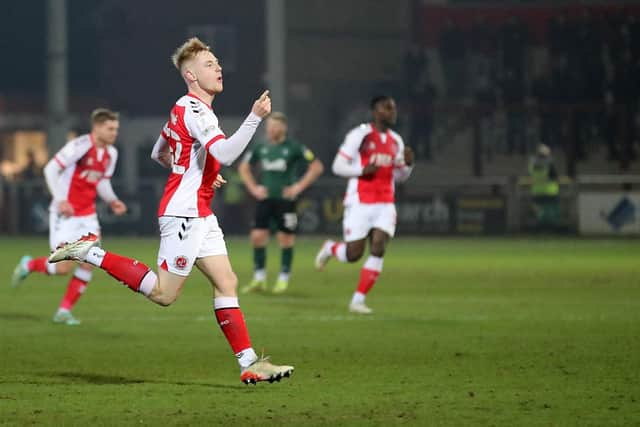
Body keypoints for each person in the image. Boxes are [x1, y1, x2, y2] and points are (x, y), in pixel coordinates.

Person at [47, 38, 294, 384]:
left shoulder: (185, 109)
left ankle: (249, 363)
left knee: (227, 281)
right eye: (210, 64)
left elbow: (160, 152)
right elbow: (224, 153)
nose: (219, 68)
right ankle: (92, 253)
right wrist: (253, 119)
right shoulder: (194, 110)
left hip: (200, 211)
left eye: (218, 61)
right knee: (164, 294)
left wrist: (200, 170)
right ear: (191, 75)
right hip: (184, 214)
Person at [11, 109, 128, 325]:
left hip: (88, 216)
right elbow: (51, 169)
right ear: (97, 127)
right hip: (65, 214)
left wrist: (112, 200)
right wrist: (60, 199)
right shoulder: (81, 146)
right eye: (110, 129)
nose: (114, 133)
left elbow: (102, 181)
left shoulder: (111, 154)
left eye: (116, 129)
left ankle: (63, 311)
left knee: (88, 262)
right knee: (63, 267)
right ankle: (29, 265)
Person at [314, 96, 414, 314]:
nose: (391, 112)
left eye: (393, 108)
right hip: (359, 201)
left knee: (378, 247)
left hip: (385, 202)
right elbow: (338, 166)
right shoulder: (359, 135)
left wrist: (407, 166)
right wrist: (361, 171)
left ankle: (358, 300)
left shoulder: (396, 140)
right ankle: (330, 248)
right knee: (354, 254)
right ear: (375, 111)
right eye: (387, 108)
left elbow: (400, 176)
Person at [238, 112, 324, 294]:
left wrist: (298, 187)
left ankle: (283, 278)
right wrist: (254, 188)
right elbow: (244, 167)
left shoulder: (294, 147)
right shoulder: (261, 147)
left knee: (285, 239)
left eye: (274, 127)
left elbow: (316, 167)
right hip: (265, 199)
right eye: (268, 127)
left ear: (283, 128)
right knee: (257, 237)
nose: (270, 130)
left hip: (285, 201)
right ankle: (259, 279)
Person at [528, 143, 560, 230]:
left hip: (537, 191)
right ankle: (554, 226)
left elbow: (530, 174)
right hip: (551, 191)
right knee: (553, 210)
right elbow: (555, 177)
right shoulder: (550, 163)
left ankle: (538, 224)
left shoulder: (532, 163)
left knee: (537, 209)